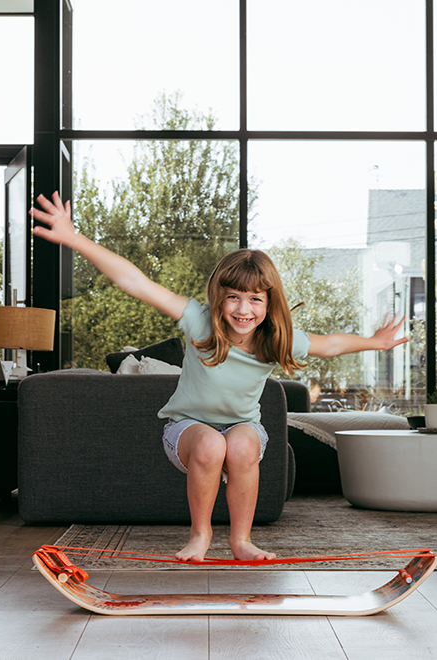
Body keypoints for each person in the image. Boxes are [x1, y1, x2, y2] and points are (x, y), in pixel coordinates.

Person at [31, 191, 409, 563]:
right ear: (219, 297)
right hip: (186, 432)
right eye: (233, 298)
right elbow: (137, 283)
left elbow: (331, 345)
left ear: (269, 303)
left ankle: (242, 540)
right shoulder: (199, 322)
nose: (243, 309)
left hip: (243, 428)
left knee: (241, 445)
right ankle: (201, 534)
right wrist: (74, 238)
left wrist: (375, 343)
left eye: (255, 299)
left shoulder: (277, 339)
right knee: (211, 444)